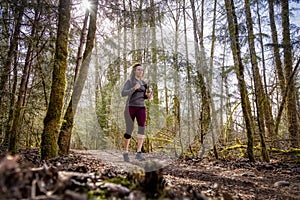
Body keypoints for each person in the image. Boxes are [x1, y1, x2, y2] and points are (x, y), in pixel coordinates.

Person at [121, 63, 151, 162]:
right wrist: (134, 88)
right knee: (129, 129)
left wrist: (147, 96)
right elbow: (123, 93)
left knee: (142, 128)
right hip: (130, 107)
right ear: (134, 71)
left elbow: (143, 96)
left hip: (141, 107)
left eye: (142, 70)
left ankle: (138, 152)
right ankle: (125, 152)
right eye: (138, 69)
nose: (140, 71)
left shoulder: (144, 83)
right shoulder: (129, 81)